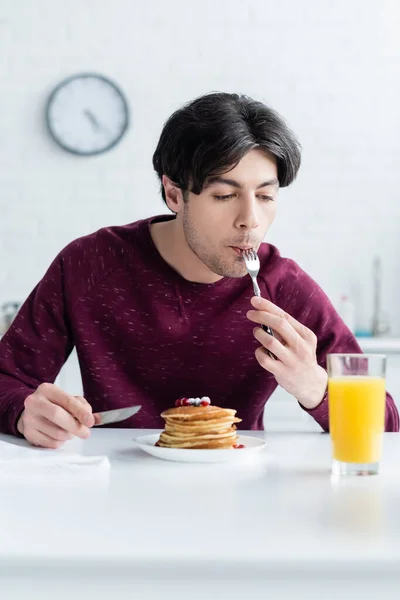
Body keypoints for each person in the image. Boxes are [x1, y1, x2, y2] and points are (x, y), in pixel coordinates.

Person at [0, 92, 397, 448]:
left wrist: (315, 387)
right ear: (174, 193)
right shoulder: (90, 265)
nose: (250, 220)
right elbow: (7, 379)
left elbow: (386, 424)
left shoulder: (284, 287)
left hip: (242, 499)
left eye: (265, 196)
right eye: (224, 195)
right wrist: (23, 412)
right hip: (115, 490)